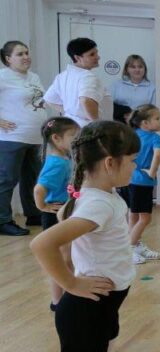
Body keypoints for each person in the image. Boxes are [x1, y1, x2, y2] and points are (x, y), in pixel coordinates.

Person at [28, 120, 140, 352]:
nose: (135, 167)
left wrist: (73, 273)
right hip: (86, 312)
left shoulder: (100, 197)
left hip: (103, 307)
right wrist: (72, 283)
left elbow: (67, 239)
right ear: (110, 163)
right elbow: (43, 244)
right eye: (132, 160)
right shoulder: (97, 204)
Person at [0, 40, 49, 235]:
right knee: (7, 180)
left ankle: (34, 214)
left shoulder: (34, 77)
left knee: (33, 179)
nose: (26, 57)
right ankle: (3, 221)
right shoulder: (3, 77)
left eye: (27, 53)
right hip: (12, 137)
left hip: (36, 137)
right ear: (8, 59)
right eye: (20, 54)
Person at [33, 117, 80, 309]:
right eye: (73, 136)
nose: (77, 139)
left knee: (66, 259)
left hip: (63, 212)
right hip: (55, 214)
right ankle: (59, 301)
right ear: (56, 138)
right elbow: (39, 190)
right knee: (63, 260)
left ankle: (64, 298)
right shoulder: (57, 163)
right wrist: (43, 207)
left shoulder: (63, 159)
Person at [44, 38, 111, 128]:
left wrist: (72, 113)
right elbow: (86, 100)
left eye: (96, 53)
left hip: (71, 126)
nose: (98, 57)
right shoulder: (88, 77)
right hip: (89, 128)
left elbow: (49, 99)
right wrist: (97, 125)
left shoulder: (62, 76)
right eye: (92, 54)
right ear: (77, 58)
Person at [128, 105, 160, 265]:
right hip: (143, 182)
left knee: (133, 214)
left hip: (129, 179)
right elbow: (157, 155)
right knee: (145, 218)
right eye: (157, 118)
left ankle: (135, 245)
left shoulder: (132, 135)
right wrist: (152, 172)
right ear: (145, 123)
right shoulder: (156, 138)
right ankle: (129, 248)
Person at [110, 55, 156, 124]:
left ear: (145, 69)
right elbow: (108, 105)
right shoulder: (117, 85)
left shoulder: (152, 87)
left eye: (140, 67)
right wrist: (124, 112)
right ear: (127, 69)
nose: (137, 70)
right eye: (133, 67)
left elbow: (153, 110)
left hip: (141, 125)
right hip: (118, 124)